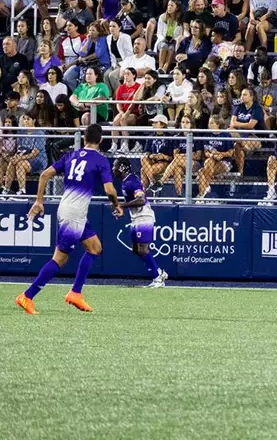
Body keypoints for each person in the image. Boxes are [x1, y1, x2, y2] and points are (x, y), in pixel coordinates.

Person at [14, 123, 125, 314]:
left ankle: (75, 293)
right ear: (101, 140)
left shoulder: (70, 156)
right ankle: (27, 296)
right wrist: (116, 205)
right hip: (74, 214)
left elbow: (44, 175)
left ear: (84, 138)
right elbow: (109, 190)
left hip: (70, 210)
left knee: (95, 247)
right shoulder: (100, 160)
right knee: (59, 259)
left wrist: (39, 201)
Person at [113, 157, 168, 288]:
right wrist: (123, 209)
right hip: (136, 217)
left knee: (143, 249)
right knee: (136, 249)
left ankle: (157, 279)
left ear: (122, 168)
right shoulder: (126, 181)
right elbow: (132, 201)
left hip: (144, 217)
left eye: (115, 166)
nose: (113, 169)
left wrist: (122, 205)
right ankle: (159, 272)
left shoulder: (132, 181)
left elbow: (141, 200)